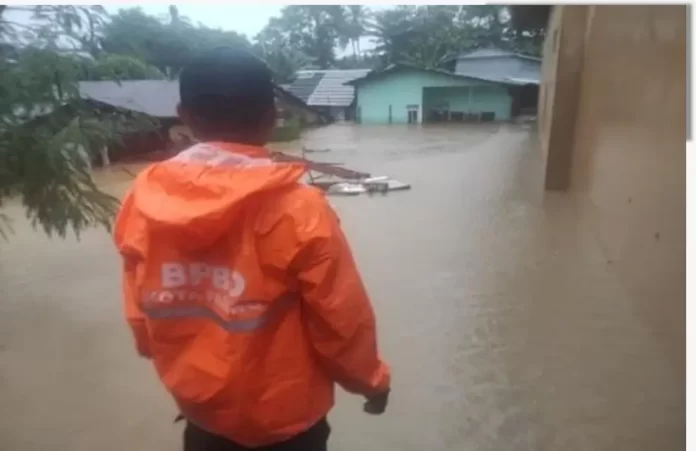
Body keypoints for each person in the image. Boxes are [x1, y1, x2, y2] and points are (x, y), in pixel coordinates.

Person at [112, 47, 391, 451]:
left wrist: (158, 352)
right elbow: (341, 320)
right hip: (287, 421)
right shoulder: (299, 208)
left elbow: (139, 308)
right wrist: (371, 383)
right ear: (272, 116)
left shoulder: (143, 197)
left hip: (202, 412)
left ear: (184, 115)